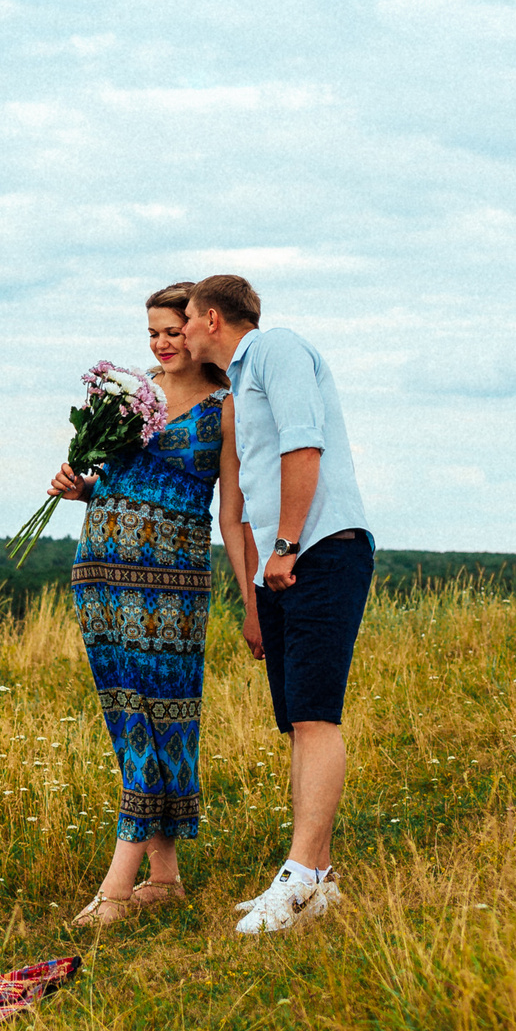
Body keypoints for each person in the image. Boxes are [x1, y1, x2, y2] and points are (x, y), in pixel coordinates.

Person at [179, 274, 373, 936]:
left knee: (316, 715)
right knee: (296, 719)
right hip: (283, 566)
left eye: (184, 321)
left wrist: (287, 543)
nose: (179, 333)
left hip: (320, 548)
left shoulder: (275, 349)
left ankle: (298, 878)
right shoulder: (238, 384)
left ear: (210, 317)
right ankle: (312, 878)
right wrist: (258, 588)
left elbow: (303, 443)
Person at [47, 281, 230, 926]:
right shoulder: (130, 393)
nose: (161, 344)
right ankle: (165, 876)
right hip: (101, 567)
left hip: (173, 582)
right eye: (152, 332)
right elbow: (114, 478)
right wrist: (81, 485)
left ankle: (117, 890)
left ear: (203, 328)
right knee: (127, 713)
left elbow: (232, 513)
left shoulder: (228, 406)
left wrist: (256, 595)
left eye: (173, 331)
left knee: (163, 716)